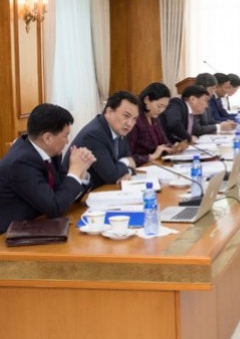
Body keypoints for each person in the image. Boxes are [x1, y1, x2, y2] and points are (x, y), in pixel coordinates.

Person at [0, 104, 96, 234]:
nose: (67, 141)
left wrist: (81, 173)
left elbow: (63, 195)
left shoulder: (50, 152)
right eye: (65, 135)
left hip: (39, 223)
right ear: (47, 138)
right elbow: (55, 207)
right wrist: (74, 172)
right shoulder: (20, 163)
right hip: (10, 235)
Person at [66, 91, 139, 188]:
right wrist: (126, 163)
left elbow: (131, 163)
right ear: (109, 112)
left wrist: (128, 170)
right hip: (82, 193)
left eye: (134, 119)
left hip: (105, 187)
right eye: (126, 116)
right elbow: (111, 175)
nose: (130, 123)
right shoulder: (94, 135)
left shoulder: (120, 130)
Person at [127, 82, 187, 166]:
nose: (161, 110)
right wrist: (151, 156)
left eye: (164, 107)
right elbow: (128, 156)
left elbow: (163, 142)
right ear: (146, 100)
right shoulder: (135, 120)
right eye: (159, 106)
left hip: (157, 164)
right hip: (141, 168)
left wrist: (174, 147)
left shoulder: (155, 119)